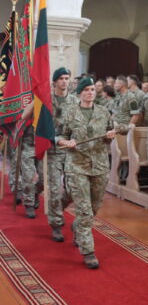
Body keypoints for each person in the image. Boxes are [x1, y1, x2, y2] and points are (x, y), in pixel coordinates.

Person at [57, 77, 116, 269]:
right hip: (77, 166)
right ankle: (88, 251)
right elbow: (58, 135)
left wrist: (110, 137)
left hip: (99, 166)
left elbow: (109, 134)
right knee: (84, 210)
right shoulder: (69, 112)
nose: (90, 92)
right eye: (86, 90)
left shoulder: (103, 111)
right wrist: (66, 142)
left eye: (92, 90)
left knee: (95, 206)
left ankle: (78, 227)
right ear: (80, 92)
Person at [48, 67, 78, 241]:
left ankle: (58, 207)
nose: (64, 81)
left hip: (72, 150)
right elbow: (43, 128)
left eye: (67, 78)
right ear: (55, 82)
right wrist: (58, 140)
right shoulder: (47, 101)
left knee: (73, 189)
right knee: (54, 188)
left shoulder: (75, 101)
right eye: (61, 78)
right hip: (54, 149)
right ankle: (56, 223)